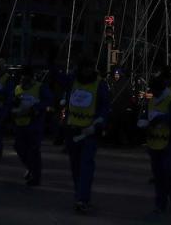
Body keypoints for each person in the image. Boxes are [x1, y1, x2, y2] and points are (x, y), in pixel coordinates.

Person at [61, 58, 110, 213]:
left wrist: (98, 123)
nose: (87, 71)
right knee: (75, 167)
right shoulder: (73, 80)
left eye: (90, 68)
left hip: (89, 132)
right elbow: (58, 78)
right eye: (84, 68)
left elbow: (105, 106)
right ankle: (80, 196)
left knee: (86, 165)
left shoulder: (99, 84)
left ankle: (82, 199)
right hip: (72, 130)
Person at [139, 70, 171, 215]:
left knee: (167, 172)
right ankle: (161, 203)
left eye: (154, 90)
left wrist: (162, 119)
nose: (153, 93)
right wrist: (143, 123)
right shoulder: (152, 100)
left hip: (169, 142)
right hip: (154, 142)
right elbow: (145, 115)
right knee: (158, 174)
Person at [12, 66, 53, 187]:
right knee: (19, 148)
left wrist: (36, 108)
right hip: (20, 123)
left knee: (34, 150)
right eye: (22, 76)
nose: (23, 78)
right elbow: (13, 101)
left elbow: (49, 100)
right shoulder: (17, 88)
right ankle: (30, 168)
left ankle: (36, 176)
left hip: (34, 124)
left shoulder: (39, 87)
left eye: (26, 76)